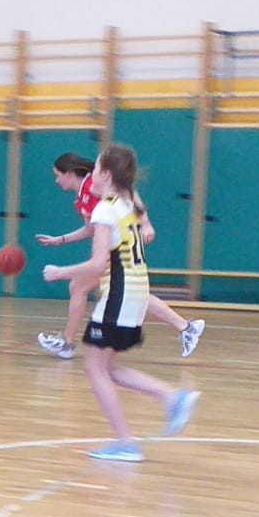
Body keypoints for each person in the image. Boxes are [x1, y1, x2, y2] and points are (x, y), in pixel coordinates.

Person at [43, 145, 200, 462]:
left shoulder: (105, 209)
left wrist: (61, 272)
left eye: (95, 168)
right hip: (136, 290)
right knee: (105, 367)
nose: (91, 173)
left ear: (105, 174)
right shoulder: (127, 204)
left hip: (120, 293)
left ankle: (128, 441)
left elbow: (98, 264)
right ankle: (171, 398)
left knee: (94, 366)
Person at [35, 151, 204, 359]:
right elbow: (91, 229)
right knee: (130, 292)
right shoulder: (84, 196)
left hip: (116, 250)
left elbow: (128, 191)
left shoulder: (93, 184)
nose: (56, 180)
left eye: (58, 175)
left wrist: (145, 222)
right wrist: (60, 240)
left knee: (80, 287)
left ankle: (67, 343)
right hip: (114, 249)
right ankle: (186, 327)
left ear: (69, 173)